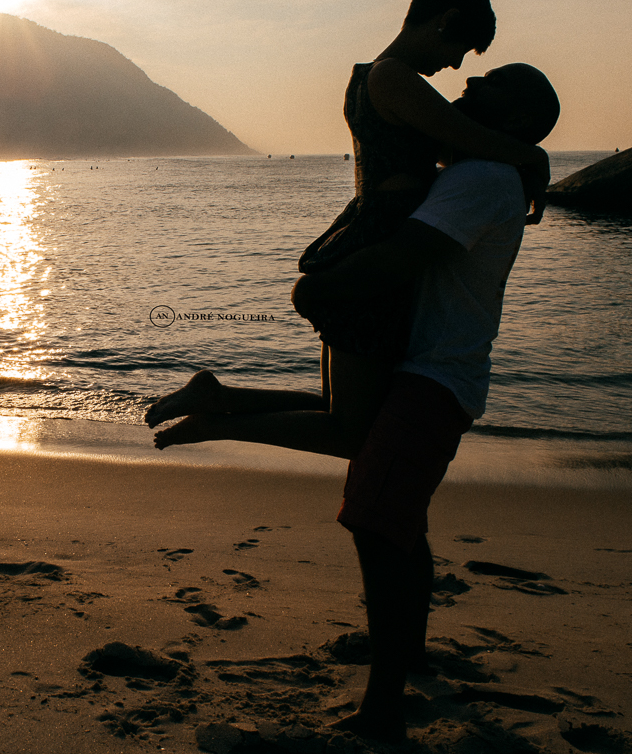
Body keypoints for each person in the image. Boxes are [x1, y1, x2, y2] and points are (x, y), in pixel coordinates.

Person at [149, 62, 561, 743]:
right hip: (422, 368)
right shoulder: (484, 169)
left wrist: (318, 291)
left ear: (515, 118)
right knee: (398, 514)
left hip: (435, 376)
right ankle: (412, 654)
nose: (469, 84)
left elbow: (403, 256)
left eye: (490, 83)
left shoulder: (482, 178)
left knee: (378, 526)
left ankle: (381, 712)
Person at [146, 0, 549, 458]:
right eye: (460, 48)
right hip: (379, 251)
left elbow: (453, 144)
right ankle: (217, 420)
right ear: (446, 22)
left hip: (368, 236)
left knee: (348, 412)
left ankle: (219, 400)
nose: (455, 65)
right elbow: (468, 138)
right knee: (354, 432)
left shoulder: (377, 77)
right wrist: (535, 159)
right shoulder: (394, 77)